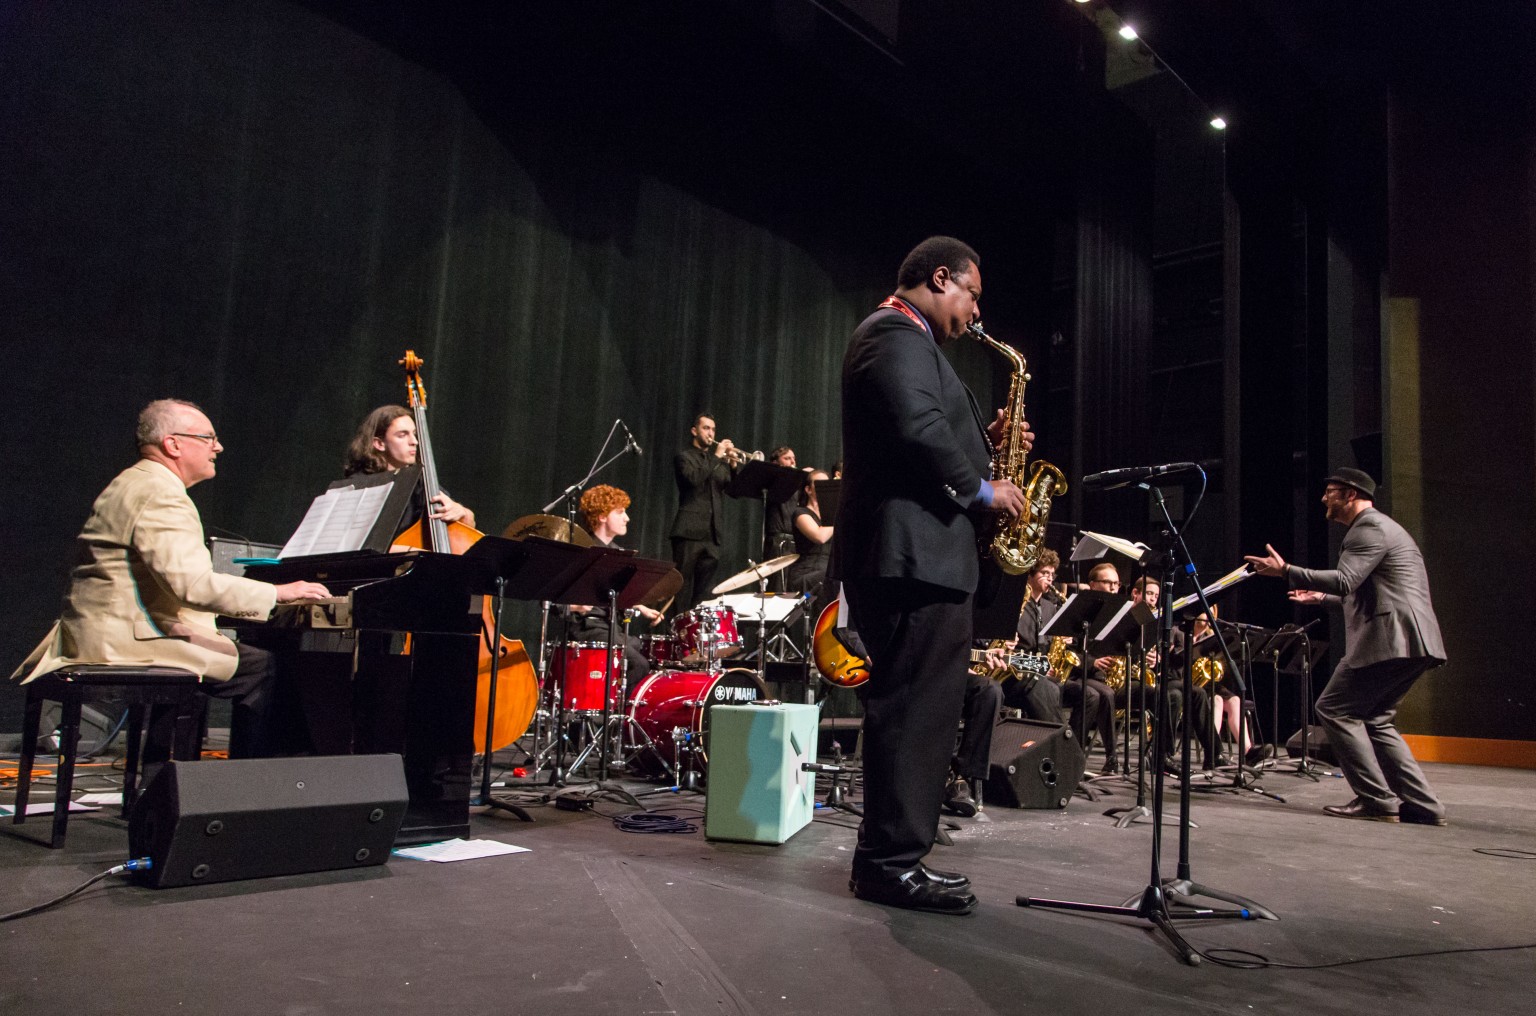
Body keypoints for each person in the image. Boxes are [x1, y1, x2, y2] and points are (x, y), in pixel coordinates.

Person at [832, 236, 1028, 915]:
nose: (975, 311)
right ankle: (890, 864)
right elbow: (917, 430)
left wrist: (992, 444)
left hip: (924, 557)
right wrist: (984, 489)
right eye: (972, 294)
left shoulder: (915, 346)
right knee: (912, 712)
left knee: (920, 711)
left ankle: (890, 859)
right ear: (941, 278)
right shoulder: (893, 333)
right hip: (909, 557)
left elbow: (926, 427)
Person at [12, 400, 330, 759]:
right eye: (208, 438)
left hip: (100, 631)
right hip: (123, 640)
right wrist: (277, 592)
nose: (218, 447)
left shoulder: (131, 481)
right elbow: (192, 586)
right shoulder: (163, 494)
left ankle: (162, 780)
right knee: (263, 667)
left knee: (211, 655)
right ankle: (243, 791)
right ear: (173, 444)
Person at [1245, 467, 1448, 824]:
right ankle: (1422, 805)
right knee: (1377, 720)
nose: (1324, 498)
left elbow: (1345, 580)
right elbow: (1378, 591)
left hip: (1389, 640)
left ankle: (1377, 799)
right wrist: (1321, 598)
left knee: (1334, 709)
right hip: (1414, 640)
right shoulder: (1386, 528)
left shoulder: (1367, 528)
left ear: (1350, 494)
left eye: (1330, 492)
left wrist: (1286, 570)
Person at [565, 485, 664, 688]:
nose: (627, 518)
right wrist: (576, 607)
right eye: (620, 512)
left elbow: (616, 593)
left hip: (612, 628)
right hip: (589, 628)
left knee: (650, 652)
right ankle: (611, 714)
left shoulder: (617, 553)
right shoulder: (585, 551)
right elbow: (554, 599)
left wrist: (641, 607)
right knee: (639, 664)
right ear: (602, 516)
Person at [343, 404, 475, 532]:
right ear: (379, 443)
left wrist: (461, 512)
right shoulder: (361, 485)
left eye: (414, 434)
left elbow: (470, 523)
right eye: (402, 435)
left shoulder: (420, 482)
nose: (415, 441)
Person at [669, 412, 736, 611]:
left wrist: (732, 465)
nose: (710, 433)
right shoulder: (684, 457)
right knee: (681, 587)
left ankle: (696, 637)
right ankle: (676, 635)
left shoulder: (717, 463)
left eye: (713, 429)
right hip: (689, 532)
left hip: (712, 534)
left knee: (703, 592)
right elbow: (693, 479)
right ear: (694, 431)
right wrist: (717, 457)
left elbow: (734, 490)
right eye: (706, 428)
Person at [1004, 549, 1067, 724]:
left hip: (1040, 670)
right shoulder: (1015, 603)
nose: (1050, 579)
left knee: (1060, 687)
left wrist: (1060, 641)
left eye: (1052, 574)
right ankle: (1057, 740)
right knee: (1048, 688)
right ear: (1030, 574)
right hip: (1014, 671)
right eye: (1044, 573)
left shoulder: (1049, 607)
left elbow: (1047, 643)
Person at [784, 468, 833, 594]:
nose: (824, 488)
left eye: (826, 484)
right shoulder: (800, 513)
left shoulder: (832, 515)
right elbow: (820, 537)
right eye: (819, 484)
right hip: (807, 572)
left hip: (828, 570)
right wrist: (837, 513)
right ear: (808, 490)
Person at [763, 446, 799, 566]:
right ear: (775, 463)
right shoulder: (772, 480)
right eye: (787, 458)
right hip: (778, 541)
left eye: (793, 458)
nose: (793, 462)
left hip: (795, 541)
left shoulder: (797, 482)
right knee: (778, 583)